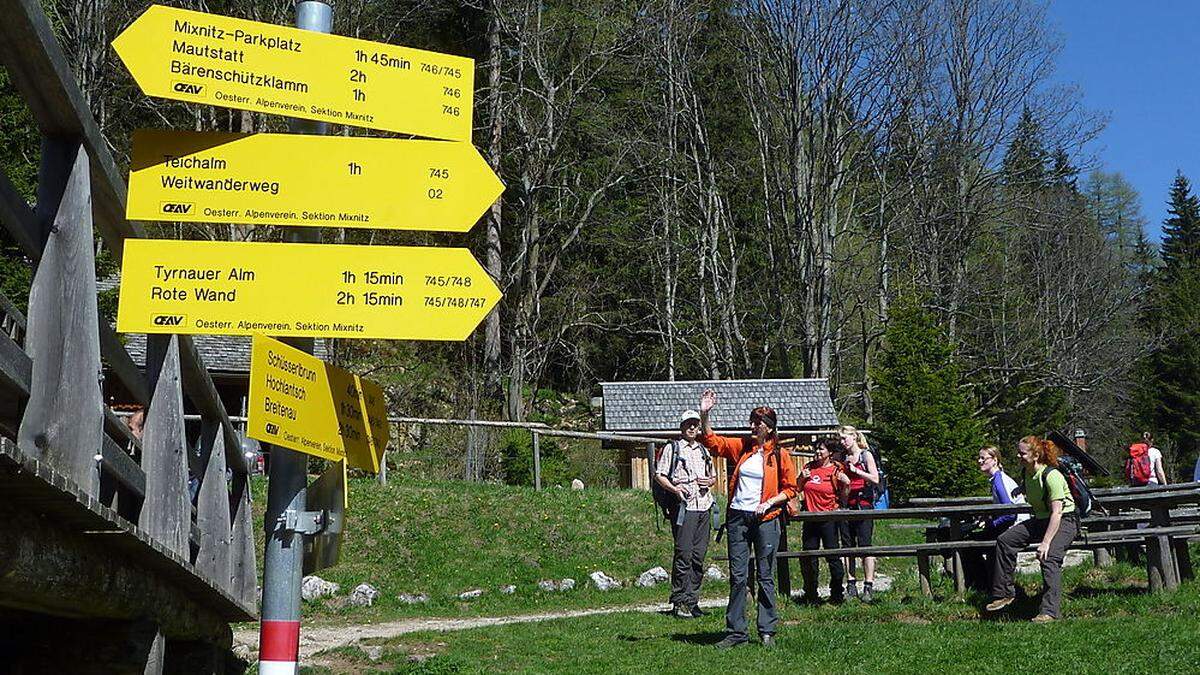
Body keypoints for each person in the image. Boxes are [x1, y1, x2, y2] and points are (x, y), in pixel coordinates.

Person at [698, 389, 797, 650]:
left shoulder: (780, 456)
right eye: (752, 422)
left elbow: (790, 489)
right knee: (738, 576)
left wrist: (769, 503)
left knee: (765, 575)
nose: (752, 426)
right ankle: (736, 632)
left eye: (757, 423)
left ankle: (767, 630)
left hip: (766, 519)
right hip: (738, 518)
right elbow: (713, 442)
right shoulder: (743, 447)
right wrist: (705, 413)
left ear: (769, 428)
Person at [986, 436, 1079, 623]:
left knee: (1050, 556)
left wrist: (1045, 543)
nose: (1018, 456)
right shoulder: (1027, 472)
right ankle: (1005, 594)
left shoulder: (1052, 476)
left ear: (1036, 455)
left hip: (1065, 521)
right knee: (1006, 540)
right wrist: (1020, 489)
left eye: (1022, 453)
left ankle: (1049, 611)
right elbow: (1032, 486)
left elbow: (1057, 513)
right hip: (1041, 520)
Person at [654, 409, 716, 619]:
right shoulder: (673, 448)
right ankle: (679, 601)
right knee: (684, 554)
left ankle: (693, 600)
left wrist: (710, 481)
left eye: (695, 424)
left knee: (698, 556)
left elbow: (713, 476)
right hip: (684, 507)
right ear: (682, 427)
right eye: (688, 424)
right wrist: (675, 489)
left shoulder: (703, 450)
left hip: (704, 506)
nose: (692, 428)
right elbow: (659, 475)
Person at [961, 445, 1028, 591]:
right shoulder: (996, 479)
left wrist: (992, 524)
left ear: (995, 460)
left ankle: (982, 585)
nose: (979, 461)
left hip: (1016, 526)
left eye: (983, 458)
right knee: (973, 541)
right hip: (1013, 524)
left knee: (968, 544)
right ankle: (986, 584)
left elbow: (1010, 513)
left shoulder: (999, 481)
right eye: (979, 458)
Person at [799, 438, 849, 604]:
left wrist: (846, 485)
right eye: (816, 449)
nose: (818, 452)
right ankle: (811, 593)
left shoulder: (835, 471)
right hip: (810, 517)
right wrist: (801, 478)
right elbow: (797, 489)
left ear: (830, 452)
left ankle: (836, 593)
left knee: (833, 555)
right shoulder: (808, 468)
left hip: (829, 518)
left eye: (821, 449)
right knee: (808, 556)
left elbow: (843, 497)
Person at [837, 425, 879, 602]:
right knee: (848, 547)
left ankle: (868, 585)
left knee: (865, 545)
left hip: (863, 504)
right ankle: (851, 583)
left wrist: (857, 472)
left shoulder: (865, 455)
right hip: (847, 505)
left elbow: (875, 478)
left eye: (844, 438)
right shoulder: (842, 458)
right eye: (840, 439)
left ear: (854, 437)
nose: (842, 442)